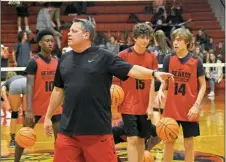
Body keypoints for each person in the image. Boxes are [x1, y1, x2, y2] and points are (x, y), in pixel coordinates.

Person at [43, 18, 173, 162]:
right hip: (68, 133)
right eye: (70, 31)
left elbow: (131, 69)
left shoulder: (104, 56)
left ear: (86, 35)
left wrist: (153, 73)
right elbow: (58, 90)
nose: (69, 34)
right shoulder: (64, 59)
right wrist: (48, 116)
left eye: (74, 31)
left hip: (97, 133)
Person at [156, 28, 206, 162]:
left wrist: (196, 106)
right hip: (172, 108)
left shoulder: (196, 61)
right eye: (174, 40)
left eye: (179, 40)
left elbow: (203, 85)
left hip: (189, 108)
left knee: (189, 143)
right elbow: (165, 81)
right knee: (168, 142)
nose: (175, 43)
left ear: (187, 42)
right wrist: (161, 89)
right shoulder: (168, 59)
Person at [14, 29, 62, 162]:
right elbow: (29, 86)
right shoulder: (33, 62)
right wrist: (29, 110)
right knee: (24, 135)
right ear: (40, 43)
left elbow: (60, 84)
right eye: (47, 41)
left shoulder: (57, 61)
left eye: (52, 41)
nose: (50, 43)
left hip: (54, 105)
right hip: (35, 106)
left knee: (60, 139)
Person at [117, 22, 158, 162]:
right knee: (132, 139)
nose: (145, 40)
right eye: (142, 37)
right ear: (134, 38)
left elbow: (153, 82)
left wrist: (151, 106)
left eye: (147, 38)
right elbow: (115, 81)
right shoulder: (123, 55)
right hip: (128, 104)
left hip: (145, 105)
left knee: (141, 140)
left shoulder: (152, 56)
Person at [1, 72, 26, 147]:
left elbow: (3, 91)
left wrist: (8, 104)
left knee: (14, 114)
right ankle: (26, 137)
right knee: (26, 113)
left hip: (15, 86)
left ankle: (12, 140)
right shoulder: (21, 76)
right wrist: (22, 104)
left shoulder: (7, 82)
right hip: (27, 82)